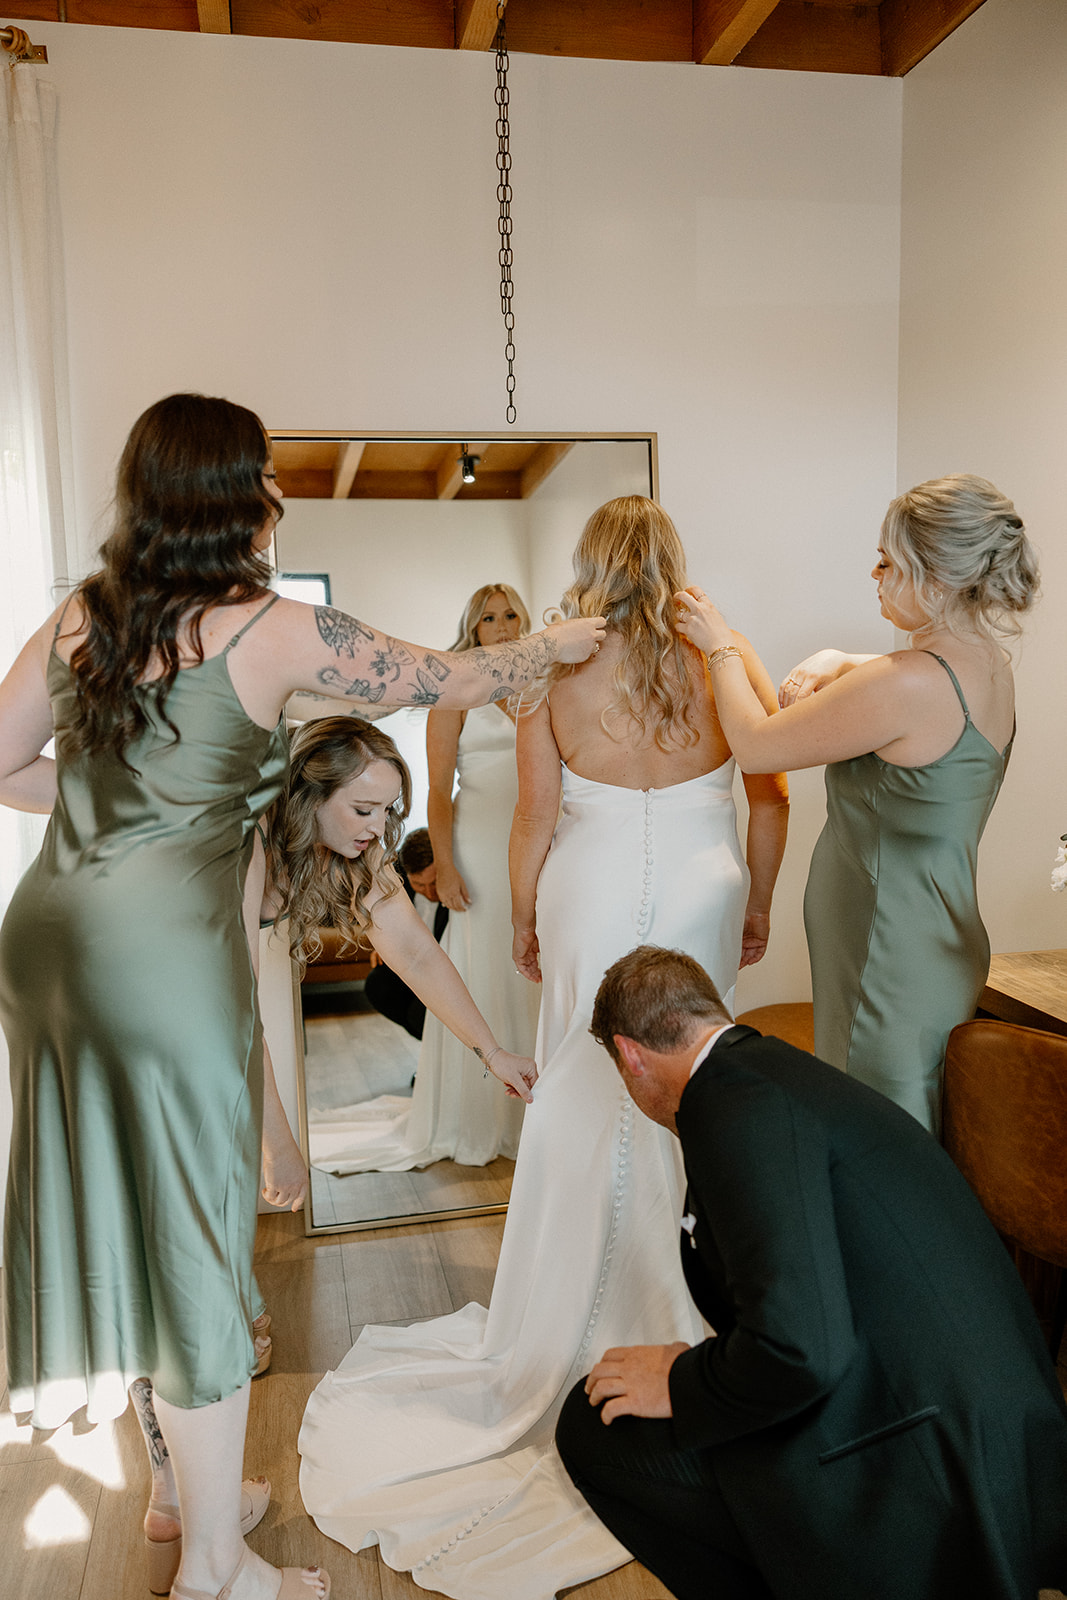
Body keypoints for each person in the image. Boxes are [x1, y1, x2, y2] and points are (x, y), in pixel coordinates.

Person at [0, 393, 604, 1600]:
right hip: (156, 960)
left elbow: (5, 762)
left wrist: (132, 817)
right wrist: (563, 642)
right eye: (265, 478)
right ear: (237, 493)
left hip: (48, 943)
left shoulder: (84, 616)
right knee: (196, 1239)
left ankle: (187, 1490)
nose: (277, 497)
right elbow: (444, 675)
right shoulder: (270, 628)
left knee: (131, 1217)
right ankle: (220, 1571)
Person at [297, 495, 789, 1596]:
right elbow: (767, 792)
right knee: (689, 1089)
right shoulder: (721, 648)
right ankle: (681, 1313)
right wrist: (756, 898)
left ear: (584, 566)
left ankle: (563, 1319)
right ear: (670, 560)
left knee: (581, 1071)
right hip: (705, 884)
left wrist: (519, 912)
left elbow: (532, 811)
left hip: (591, 886)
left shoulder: (554, 666)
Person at [555, 944, 1067, 1600]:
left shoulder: (729, 1107)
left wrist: (684, 1383)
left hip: (929, 1460)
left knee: (594, 1429)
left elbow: (801, 1350)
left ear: (629, 1056)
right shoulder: (777, 1075)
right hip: (993, 1428)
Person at [676, 474, 1039, 1134]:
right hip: (935, 935)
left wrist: (719, 644)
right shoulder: (984, 664)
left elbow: (756, 748)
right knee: (916, 1117)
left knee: (881, 1130)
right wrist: (841, 658)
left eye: (886, 561)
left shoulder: (902, 684)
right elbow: (905, 695)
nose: (872, 573)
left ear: (934, 576)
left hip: (886, 948)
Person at [419, 582, 540, 1162]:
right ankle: (482, 1115)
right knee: (485, 962)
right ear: (474, 627)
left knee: (537, 963)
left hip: (541, 840)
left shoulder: (546, 683)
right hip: (478, 845)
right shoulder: (455, 692)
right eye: (488, 617)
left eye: (511, 613)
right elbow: (438, 791)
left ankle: (536, 1111)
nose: (502, 624)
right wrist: (444, 863)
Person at [362, 828, 449, 1040]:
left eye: (434, 883)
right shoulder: (393, 878)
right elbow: (383, 918)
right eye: (419, 885)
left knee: (421, 1014)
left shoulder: (457, 874)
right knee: (378, 986)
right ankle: (428, 1050)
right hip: (413, 962)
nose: (429, 893)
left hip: (447, 967)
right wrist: (383, 945)